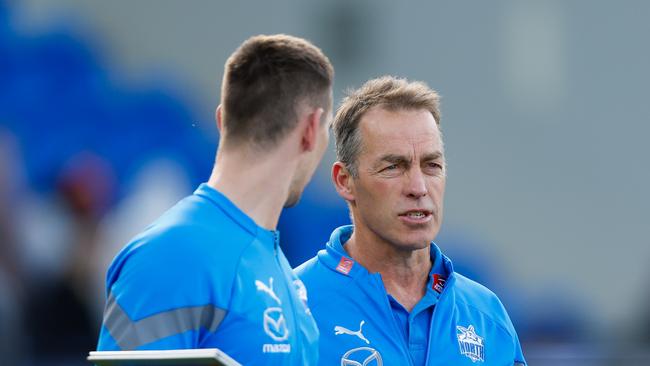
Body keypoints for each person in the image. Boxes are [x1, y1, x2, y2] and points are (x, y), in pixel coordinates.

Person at [97, 34, 334, 365]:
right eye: (328, 130)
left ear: (222, 120)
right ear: (311, 129)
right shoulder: (175, 254)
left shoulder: (283, 272)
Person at [295, 76, 526, 365]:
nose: (418, 187)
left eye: (432, 165)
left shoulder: (486, 315)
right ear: (345, 181)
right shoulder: (292, 307)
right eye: (393, 167)